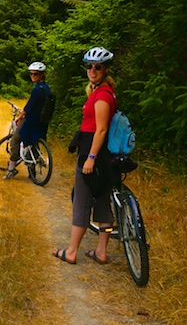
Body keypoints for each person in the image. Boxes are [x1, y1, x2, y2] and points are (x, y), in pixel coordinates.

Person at [52, 47, 117, 265]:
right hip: (103, 154)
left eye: (98, 67)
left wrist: (90, 157)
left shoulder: (102, 96)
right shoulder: (101, 92)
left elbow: (100, 130)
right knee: (102, 202)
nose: (93, 70)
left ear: (106, 69)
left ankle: (71, 252)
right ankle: (101, 251)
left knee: (81, 202)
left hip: (93, 151)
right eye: (89, 66)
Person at [3, 62, 51, 179]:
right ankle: (32, 173)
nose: (33, 76)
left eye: (36, 74)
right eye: (31, 74)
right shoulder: (46, 88)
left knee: (14, 140)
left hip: (31, 121)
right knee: (32, 143)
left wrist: (19, 117)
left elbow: (29, 107)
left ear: (42, 75)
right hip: (42, 122)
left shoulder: (37, 90)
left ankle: (11, 169)